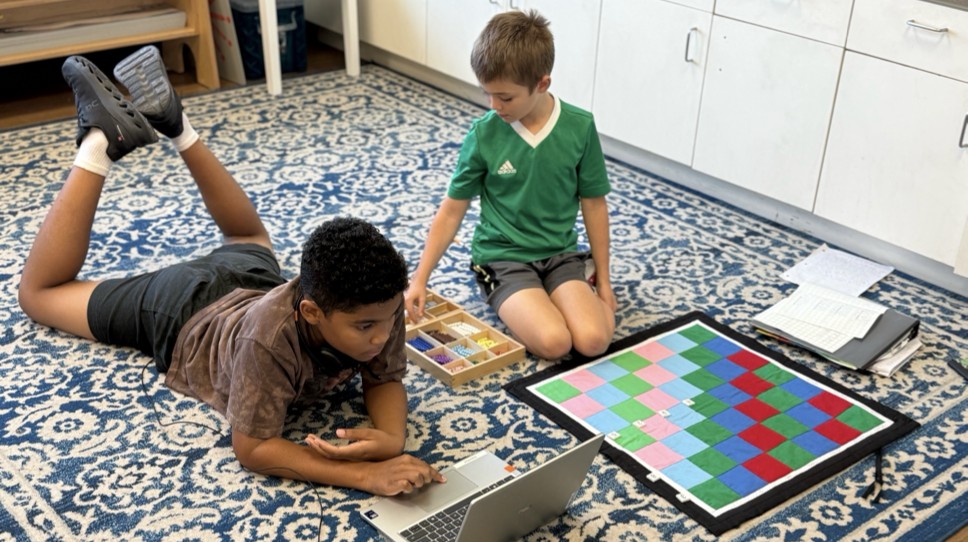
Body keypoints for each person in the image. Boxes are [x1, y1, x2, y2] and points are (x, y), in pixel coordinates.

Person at [17, 46, 444, 497]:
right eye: (365, 327)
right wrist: (365, 476)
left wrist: (392, 437)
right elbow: (253, 447)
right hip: (185, 308)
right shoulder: (267, 341)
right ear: (312, 312)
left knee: (247, 238)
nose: (382, 336)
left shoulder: (378, 302)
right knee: (39, 294)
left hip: (251, 278)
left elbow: (384, 377)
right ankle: (100, 142)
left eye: (388, 320)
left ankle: (176, 124)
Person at [405, 10, 616, 361]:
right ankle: (529, 296)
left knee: (593, 341)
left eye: (505, 97)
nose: (494, 106)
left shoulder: (580, 127)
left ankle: (585, 280)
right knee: (555, 343)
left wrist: (605, 284)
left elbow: (594, 204)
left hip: (560, 254)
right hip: (502, 258)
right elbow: (452, 209)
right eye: (488, 94)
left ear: (542, 84)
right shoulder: (483, 134)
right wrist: (419, 279)